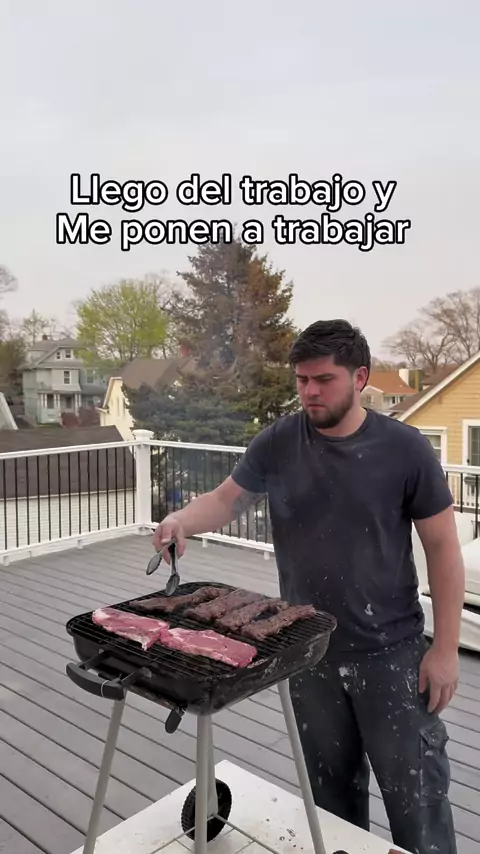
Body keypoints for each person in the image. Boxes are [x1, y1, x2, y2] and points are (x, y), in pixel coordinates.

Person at [153, 319, 464, 854]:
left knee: (419, 807)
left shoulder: (405, 449)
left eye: (323, 379)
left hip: (392, 655)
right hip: (307, 651)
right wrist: (180, 520)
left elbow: (443, 548)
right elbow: (226, 501)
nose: (310, 391)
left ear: (359, 377)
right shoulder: (279, 441)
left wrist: (446, 649)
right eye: (301, 380)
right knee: (331, 804)